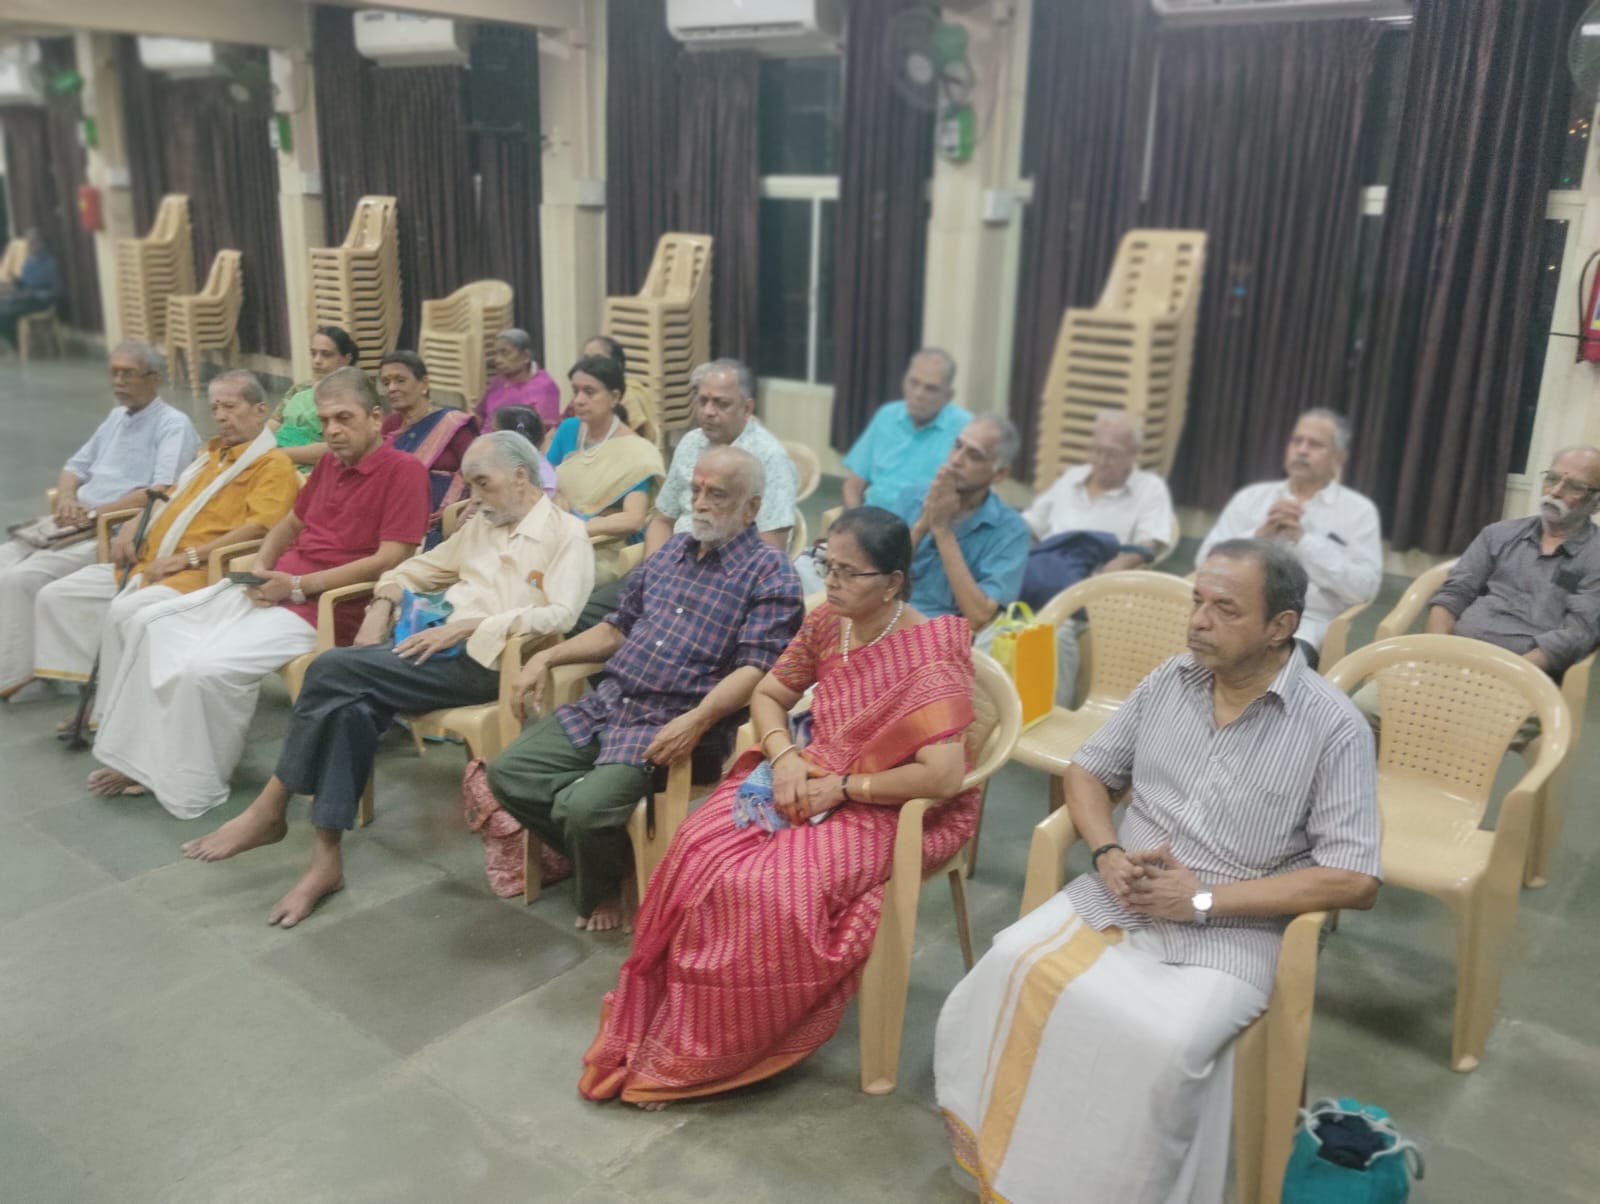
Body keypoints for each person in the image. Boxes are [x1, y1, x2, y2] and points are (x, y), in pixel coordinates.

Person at [935, 539, 1382, 1204]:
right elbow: (1088, 771)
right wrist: (1107, 852)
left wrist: (1202, 898)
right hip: (1118, 895)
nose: (1198, 621)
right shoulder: (1171, 679)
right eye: (1198, 601)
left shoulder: (1333, 727)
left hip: (1232, 931)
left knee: (1158, 1045)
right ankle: (1016, 1168)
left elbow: (1354, 879)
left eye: (1225, 609)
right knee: (1009, 966)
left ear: (1280, 626)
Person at [579, 506, 977, 1105]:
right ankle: (673, 1015)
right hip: (811, 770)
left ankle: (723, 1040)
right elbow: (768, 694)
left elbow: (942, 776)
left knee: (770, 889)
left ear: (893, 582)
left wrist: (843, 788)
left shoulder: (929, 652)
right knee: (697, 845)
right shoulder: (829, 623)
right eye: (826, 564)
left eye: (848, 572)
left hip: (893, 802)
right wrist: (785, 756)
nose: (830, 581)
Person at [179, 431, 595, 927]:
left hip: (493, 664)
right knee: (349, 708)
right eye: (470, 485)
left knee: (329, 668)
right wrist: (382, 602)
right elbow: (416, 568)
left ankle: (271, 806)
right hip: (440, 651)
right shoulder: (483, 526)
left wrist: (472, 625)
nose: (475, 497)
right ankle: (326, 858)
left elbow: (562, 614)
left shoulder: (566, 534)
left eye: (483, 483)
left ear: (521, 477)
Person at [483, 447, 803, 932]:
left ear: (751, 508)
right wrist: (547, 656)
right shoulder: (671, 552)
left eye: (717, 495)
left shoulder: (770, 573)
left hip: (674, 726)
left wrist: (697, 721)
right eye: (696, 490)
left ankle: (602, 882)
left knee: (584, 807)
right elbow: (616, 628)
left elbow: (757, 670)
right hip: (610, 704)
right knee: (508, 771)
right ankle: (611, 854)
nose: (699, 503)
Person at [85, 367, 428, 817]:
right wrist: (263, 566)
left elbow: (392, 557)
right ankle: (142, 760)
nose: (332, 430)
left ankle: (193, 784)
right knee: (150, 625)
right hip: (275, 587)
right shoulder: (329, 464)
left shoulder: (404, 471)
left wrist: (299, 586)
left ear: (376, 417)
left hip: (329, 607)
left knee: (205, 668)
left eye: (344, 418)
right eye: (325, 420)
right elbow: (290, 523)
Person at [33, 371, 298, 694]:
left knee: (126, 612)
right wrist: (134, 523)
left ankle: (110, 705)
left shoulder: (272, 465)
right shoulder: (211, 456)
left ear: (260, 410)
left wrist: (187, 558)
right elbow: (168, 498)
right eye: (215, 408)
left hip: (198, 572)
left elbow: (260, 528)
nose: (220, 416)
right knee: (58, 594)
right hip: (149, 562)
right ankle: (93, 689)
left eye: (230, 407)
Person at [1357, 446, 1600, 745]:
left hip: (1525, 678)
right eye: (1552, 478)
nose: (1556, 491)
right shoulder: (1498, 534)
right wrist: (1440, 656)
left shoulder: (1595, 558)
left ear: (1596, 502)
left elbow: (1577, 634)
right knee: (1362, 708)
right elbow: (1452, 595)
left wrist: (1505, 673)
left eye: (1574, 486)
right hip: (1453, 662)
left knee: (1457, 736)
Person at [0, 341, 199, 699]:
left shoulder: (173, 425)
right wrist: (66, 498)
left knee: (21, 577)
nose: (118, 382)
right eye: (114, 373)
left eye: (128, 374)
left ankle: (20, 673)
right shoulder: (116, 418)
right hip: (74, 519)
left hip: (111, 529)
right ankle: (13, 658)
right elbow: (74, 468)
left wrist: (95, 513)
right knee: (4, 559)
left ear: (154, 379)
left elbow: (162, 490)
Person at [1020, 411, 1178, 702]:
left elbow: (1150, 544)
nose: (1102, 460)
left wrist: (1100, 581)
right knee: (993, 622)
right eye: (1097, 450)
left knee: (1056, 634)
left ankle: (1053, 715)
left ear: (1134, 454)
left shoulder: (1149, 489)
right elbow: (1029, 525)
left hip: (1093, 592)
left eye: (1113, 453)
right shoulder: (1072, 478)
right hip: (1040, 578)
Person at [1197, 409, 1382, 655]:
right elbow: (1203, 562)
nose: (1302, 450)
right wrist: (1258, 537)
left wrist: (1304, 541)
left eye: (1315, 445)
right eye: (1297, 441)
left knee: (1264, 660)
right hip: (1231, 612)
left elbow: (1363, 588)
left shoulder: (1358, 511)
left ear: (1338, 457)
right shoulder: (1251, 498)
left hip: (1307, 621)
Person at [885, 414, 1031, 635]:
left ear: (1000, 473)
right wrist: (923, 524)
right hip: (882, 619)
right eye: (957, 446)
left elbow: (979, 617)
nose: (956, 460)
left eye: (974, 455)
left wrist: (943, 531)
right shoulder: (911, 497)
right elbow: (875, 579)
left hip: (940, 638)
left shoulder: (1011, 531)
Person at [645, 359, 796, 556]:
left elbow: (771, 545)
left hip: (729, 566)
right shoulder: (690, 442)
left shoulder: (769, 456)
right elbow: (663, 520)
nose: (708, 412)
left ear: (747, 409)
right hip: (676, 560)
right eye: (702, 401)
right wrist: (654, 566)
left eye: (721, 404)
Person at [544, 354, 665, 588]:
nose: (578, 400)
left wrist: (577, 528)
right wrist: (556, 493)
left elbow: (633, 519)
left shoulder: (635, 450)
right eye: (575, 391)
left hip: (606, 545)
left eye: (589, 392)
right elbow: (544, 479)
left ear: (615, 397)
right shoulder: (568, 429)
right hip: (558, 530)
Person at [842, 349, 971, 509]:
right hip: (872, 519)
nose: (918, 394)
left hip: (924, 522)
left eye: (931, 389)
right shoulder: (887, 416)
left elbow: (969, 502)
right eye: (913, 383)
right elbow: (852, 486)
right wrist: (855, 517)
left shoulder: (966, 430)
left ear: (948, 396)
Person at [379, 351, 477, 547]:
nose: (392, 388)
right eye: (386, 382)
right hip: (395, 517)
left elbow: (480, 470)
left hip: (445, 522)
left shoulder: (451, 423)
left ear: (423, 383)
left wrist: (461, 511)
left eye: (400, 380)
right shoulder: (389, 425)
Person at [272, 325, 358, 470]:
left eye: (326, 354)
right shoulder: (300, 389)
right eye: (313, 354)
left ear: (346, 359)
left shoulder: (354, 398)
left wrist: (276, 455)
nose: (317, 360)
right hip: (275, 463)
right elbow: (271, 428)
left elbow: (337, 448)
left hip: (317, 472)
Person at [476, 328, 561, 428]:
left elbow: (546, 429)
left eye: (505, 353)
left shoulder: (545, 386)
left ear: (526, 356)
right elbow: (479, 414)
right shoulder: (497, 382)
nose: (498, 360)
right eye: (496, 354)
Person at [0, 228, 63, 348]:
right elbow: (24, 284)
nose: (31, 247)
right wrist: (17, 284)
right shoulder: (28, 263)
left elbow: (57, 291)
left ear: (41, 244)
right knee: (2, 307)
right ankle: (12, 343)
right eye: (29, 244)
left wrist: (35, 294)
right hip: (25, 299)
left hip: (40, 303)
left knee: (7, 313)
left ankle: (16, 345)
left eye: (34, 243)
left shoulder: (50, 264)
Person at [490, 406, 558, 493]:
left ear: (511, 438)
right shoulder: (507, 466)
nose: (490, 438)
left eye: (494, 432)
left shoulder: (542, 476)